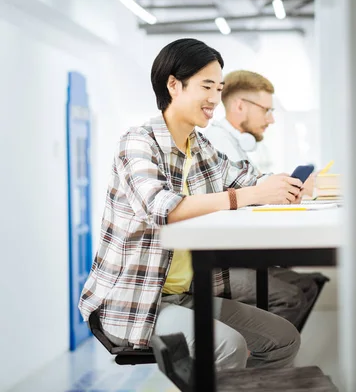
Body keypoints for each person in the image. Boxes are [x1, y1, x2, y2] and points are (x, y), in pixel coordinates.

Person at [78, 38, 306, 370]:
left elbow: (245, 177)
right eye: (207, 86)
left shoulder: (199, 146)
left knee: (282, 338)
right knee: (230, 347)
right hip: (139, 302)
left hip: (188, 294)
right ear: (174, 85)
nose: (216, 98)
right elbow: (162, 208)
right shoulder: (137, 142)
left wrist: (282, 184)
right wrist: (249, 195)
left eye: (220, 87)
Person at [202, 70, 322, 330]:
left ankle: (274, 354)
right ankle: (258, 358)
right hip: (220, 261)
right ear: (239, 106)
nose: (271, 119)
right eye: (266, 110)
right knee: (291, 296)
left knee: (310, 283)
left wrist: (285, 187)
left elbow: (254, 183)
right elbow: (243, 194)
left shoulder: (242, 146)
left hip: (236, 252)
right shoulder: (215, 144)